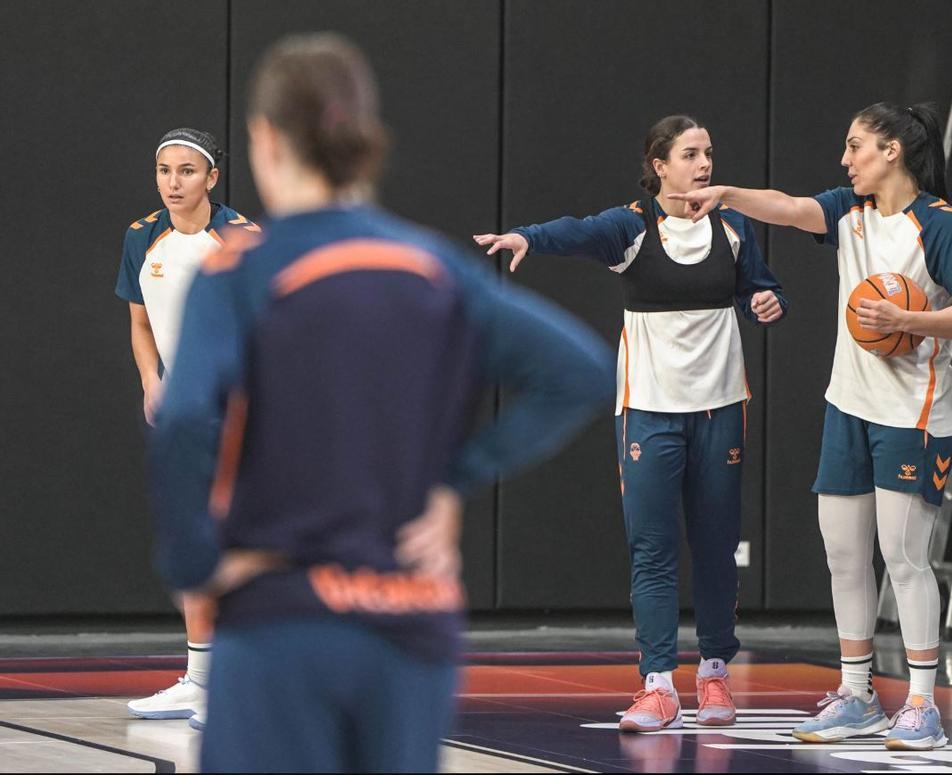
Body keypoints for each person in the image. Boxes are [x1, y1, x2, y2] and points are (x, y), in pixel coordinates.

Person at [149, 33, 612, 772]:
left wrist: (192, 563)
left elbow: (182, 416)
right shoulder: (431, 266)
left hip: (282, 623)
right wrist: (453, 481)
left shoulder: (241, 270)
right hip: (412, 620)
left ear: (265, 141)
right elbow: (583, 372)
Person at [670, 102, 952, 751]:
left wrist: (907, 322)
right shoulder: (848, 210)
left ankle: (924, 703)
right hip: (848, 406)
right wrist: (725, 193)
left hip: (916, 413)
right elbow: (786, 208)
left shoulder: (939, 225)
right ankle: (857, 694)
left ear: (892, 150)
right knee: (845, 555)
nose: (845, 160)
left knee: (903, 557)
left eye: (856, 147)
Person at [474, 115, 789, 732]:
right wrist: (526, 239)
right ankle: (658, 685)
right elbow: (576, 231)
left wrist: (766, 301)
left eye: (708, 153)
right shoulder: (632, 227)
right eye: (690, 154)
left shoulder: (733, 225)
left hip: (721, 408)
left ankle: (716, 675)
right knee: (652, 547)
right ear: (660, 165)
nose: (704, 165)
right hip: (648, 410)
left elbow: (762, 289)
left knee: (717, 546)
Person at [115, 127, 259, 724]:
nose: (173, 183)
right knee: (196, 545)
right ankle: (201, 680)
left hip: (245, 415)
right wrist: (152, 380)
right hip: (186, 417)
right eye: (164, 171)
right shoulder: (141, 237)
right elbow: (141, 324)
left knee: (247, 548)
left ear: (212, 179)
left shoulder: (243, 239)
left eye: (187, 172)